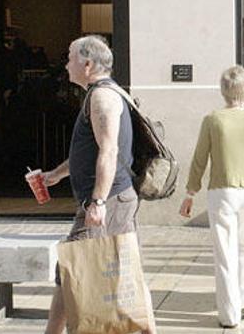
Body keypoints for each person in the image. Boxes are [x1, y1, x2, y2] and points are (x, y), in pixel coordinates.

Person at [41, 35, 156, 334]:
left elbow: (109, 150)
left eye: (69, 57)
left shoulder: (103, 97)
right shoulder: (100, 94)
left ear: (88, 63)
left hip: (109, 201)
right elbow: (92, 151)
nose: (65, 64)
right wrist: (57, 174)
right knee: (121, 271)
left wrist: (99, 202)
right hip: (115, 199)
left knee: (71, 270)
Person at [180, 66, 244, 329]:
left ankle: (229, 314)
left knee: (225, 253)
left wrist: (190, 192)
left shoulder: (213, 120)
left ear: (223, 92)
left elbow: (199, 160)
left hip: (222, 192)